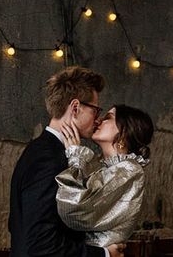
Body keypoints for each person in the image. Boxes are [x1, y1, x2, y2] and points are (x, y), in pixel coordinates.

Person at [9, 67, 124, 257]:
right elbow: (40, 245)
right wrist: (104, 254)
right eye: (95, 111)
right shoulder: (50, 159)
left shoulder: (40, 150)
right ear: (76, 108)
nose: (98, 119)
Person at [55, 105, 155, 247]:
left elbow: (73, 208)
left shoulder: (130, 170)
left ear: (124, 132)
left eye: (108, 118)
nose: (99, 120)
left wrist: (76, 157)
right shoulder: (100, 165)